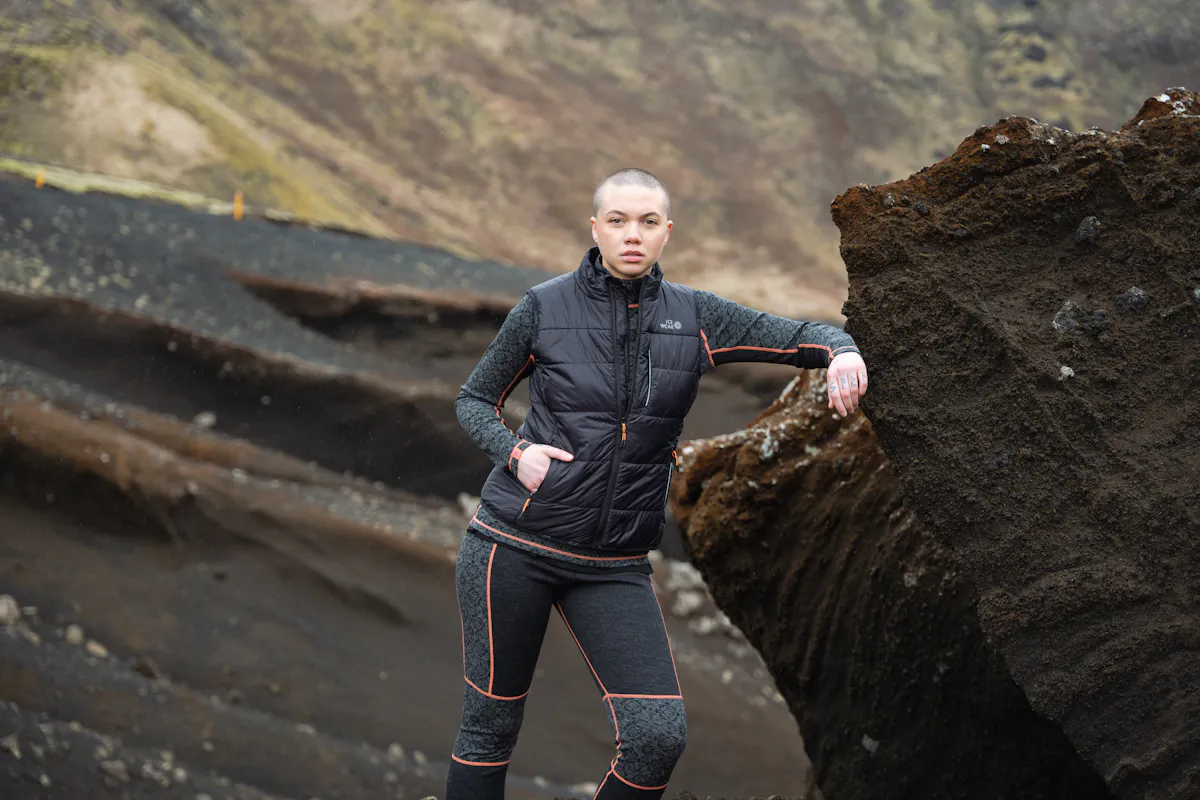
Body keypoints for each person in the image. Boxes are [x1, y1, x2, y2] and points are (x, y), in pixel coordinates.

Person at [446, 168, 868, 799]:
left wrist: (844, 352)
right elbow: (474, 398)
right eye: (617, 221)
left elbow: (800, 334)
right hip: (512, 547)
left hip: (614, 564)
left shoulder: (695, 316)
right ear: (595, 228)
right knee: (490, 726)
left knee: (657, 737)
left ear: (667, 232)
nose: (632, 235)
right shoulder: (543, 307)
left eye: (647, 222)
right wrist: (516, 454)